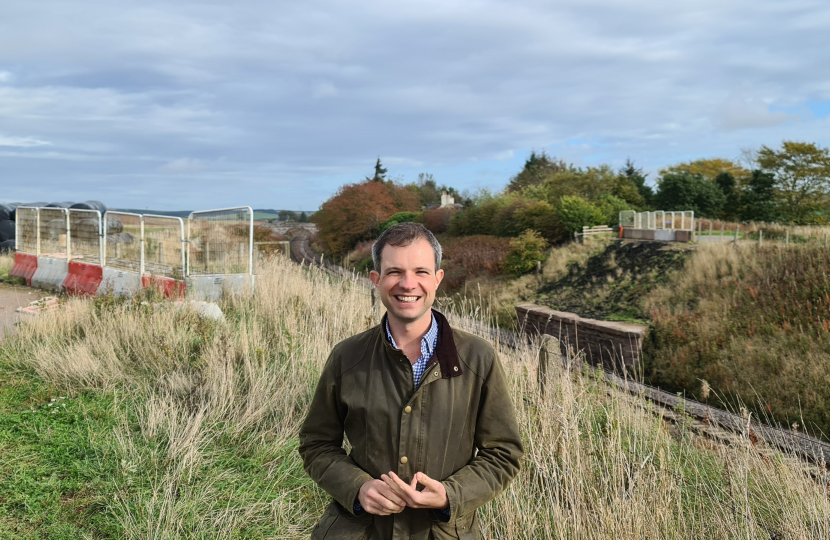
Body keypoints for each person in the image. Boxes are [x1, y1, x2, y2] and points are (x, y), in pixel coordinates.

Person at [298, 222, 523, 539]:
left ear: (437, 279)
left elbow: (503, 453)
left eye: (420, 271)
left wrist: (450, 495)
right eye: (394, 272)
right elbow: (316, 444)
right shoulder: (347, 357)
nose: (407, 284)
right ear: (376, 279)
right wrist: (358, 488)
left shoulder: (478, 358)